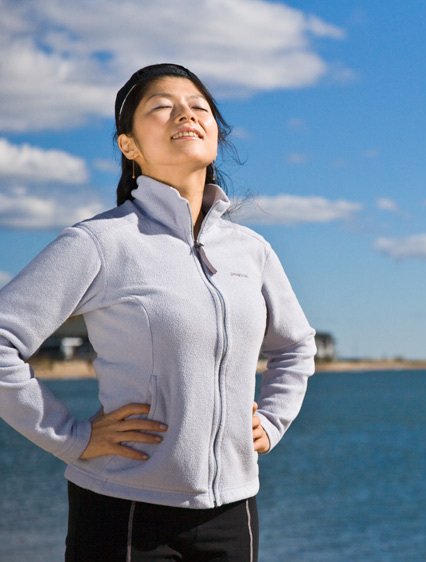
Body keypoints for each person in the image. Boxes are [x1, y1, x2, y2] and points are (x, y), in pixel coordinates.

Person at [0, 63, 317, 561]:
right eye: (162, 107)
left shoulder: (250, 251)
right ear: (129, 146)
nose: (185, 114)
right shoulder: (101, 243)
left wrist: (273, 421)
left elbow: (296, 347)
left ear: (215, 131)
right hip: (122, 508)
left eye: (199, 106)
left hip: (232, 510)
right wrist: (71, 436)